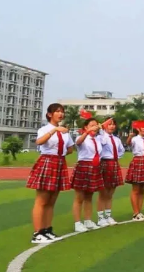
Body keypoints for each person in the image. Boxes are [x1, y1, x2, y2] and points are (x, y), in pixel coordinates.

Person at [26, 103, 73, 244]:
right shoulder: (44, 129)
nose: (61, 114)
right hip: (47, 162)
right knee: (42, 200)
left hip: (59, 162)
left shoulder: (65, 132)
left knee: (52, 200)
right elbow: (39, 142)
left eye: (62, 111)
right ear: (49, 114)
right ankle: (37, 232)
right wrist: (54, 130)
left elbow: (70, 149)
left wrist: (60, 153)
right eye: (57, 111)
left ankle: (47, 230)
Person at [71, 117, 105, 232]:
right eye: (92, 125)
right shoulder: (82, 137)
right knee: (79, 197)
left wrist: (101, 129)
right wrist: (87, 132)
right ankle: (77, 223)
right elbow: (78, 142)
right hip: (84, 166)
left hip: (95, 167)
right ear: (86, 127)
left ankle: (88, 220)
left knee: (89, 196)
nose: (95, 127)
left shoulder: (98, 139)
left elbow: (105, 141)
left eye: (96, 125)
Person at [97, 117, 124, 226]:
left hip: (114, 163)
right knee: (103, 192)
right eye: (109, 124)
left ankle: (108, 216)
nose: (112, 126)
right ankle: (100, 217)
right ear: (104, 126)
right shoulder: (100, 137)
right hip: (104, 163)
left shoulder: (116, 139)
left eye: (113, 124)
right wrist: (101, 130)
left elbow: (121, 150)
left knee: (110, 192)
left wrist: (116, 158)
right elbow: (102, 143)